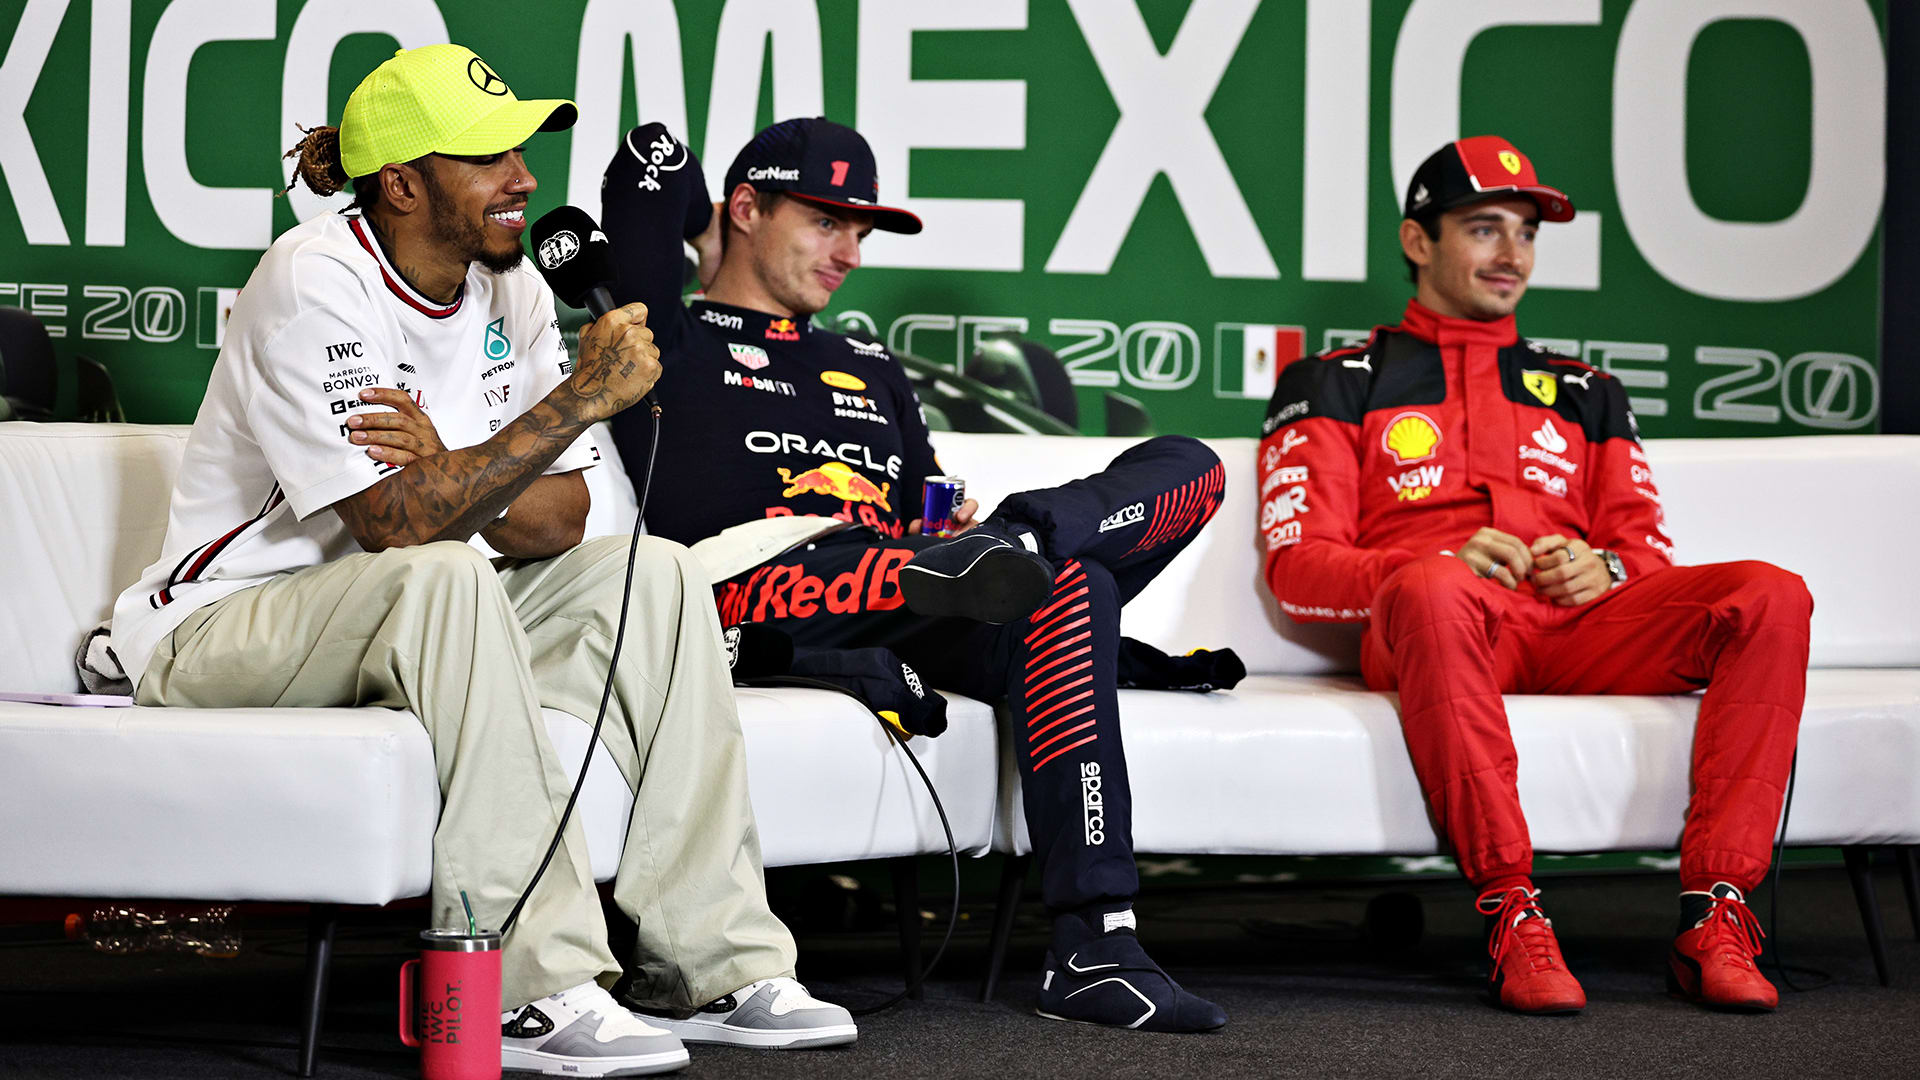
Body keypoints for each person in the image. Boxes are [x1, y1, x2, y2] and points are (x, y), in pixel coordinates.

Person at [109, 46, 854, 1077]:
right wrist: (569, 410)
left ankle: (709, 965)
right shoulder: (315, 278)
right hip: (224, 623)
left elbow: (561, 519)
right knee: (443, 571)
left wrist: (461, 471)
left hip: (410, 608)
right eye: (488, 156)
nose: (525, 178)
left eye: (522, 149)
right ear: (406, 182)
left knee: (658, 571)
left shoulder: (513, 291)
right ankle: (531, 984)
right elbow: (390, 522)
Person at [600, 117, 1231, 1034]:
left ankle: (1022, 545)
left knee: (1187, 467)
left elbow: (917, 504)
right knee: (1068, 587)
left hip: (918, 582)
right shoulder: (664, 339)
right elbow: (641, 204)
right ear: (745, 208)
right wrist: (671, 169)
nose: (850, 251)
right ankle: (1097, 939)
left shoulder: (870, 365)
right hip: (757, 586)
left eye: (863, 231)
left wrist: (957, 533)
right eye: (827, 221)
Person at [1257, 135, 1812, 1014]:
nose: (1512, 254)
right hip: (1434, 622)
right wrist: (1430, 559)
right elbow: (1297, 567)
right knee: (1435, 588)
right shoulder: (1333, 381)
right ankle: (1512, 913)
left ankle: (1718, 913)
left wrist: (1608, 567)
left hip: (1573, 632)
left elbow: (1645, 551)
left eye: (1525, 232)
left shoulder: (1586, 387)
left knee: (1768, 593)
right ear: (1417, 241)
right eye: (1484, 229)